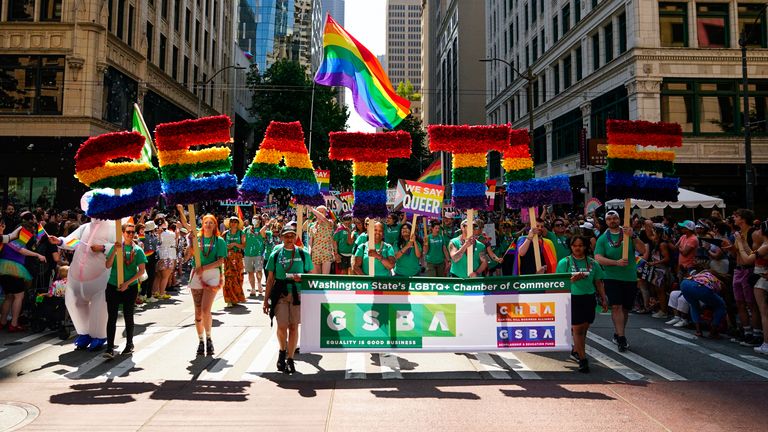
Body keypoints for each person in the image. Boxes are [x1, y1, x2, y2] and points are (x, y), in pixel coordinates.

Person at [594, 209, 647, 352]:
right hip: (611, 277)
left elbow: (643, 250)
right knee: (616, 306)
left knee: (625, 308)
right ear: (606, 222)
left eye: (615, 218)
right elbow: (598, 257)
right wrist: (615, 262)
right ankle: (622, 338)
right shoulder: (603, 238)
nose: (612, 221)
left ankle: (618, 333)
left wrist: (633, 235)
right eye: (609, 219)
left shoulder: (628, 234)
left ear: (619, 219)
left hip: (629, 277)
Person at [263, 225, 313, 374]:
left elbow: (311, 274)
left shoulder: (303, 254)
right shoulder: (276, 254)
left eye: (292, 235)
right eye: (286, 236)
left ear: (295, 237)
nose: (289, 238)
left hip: (297, 295)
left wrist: (302, 277)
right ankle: (281, 351)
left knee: (293, 327)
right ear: (282, 238)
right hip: (281, 295)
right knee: (282, 326)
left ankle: (290, 358)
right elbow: (270, 279)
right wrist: (266, 300)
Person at [556, 235, 607, 373]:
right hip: (572, 299)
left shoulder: (593, 263)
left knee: (584, 328)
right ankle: (583, 359)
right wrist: (572, 279)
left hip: (589, 298)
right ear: (570, 247)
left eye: (580, 245)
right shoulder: (564, 263)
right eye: (574, 246)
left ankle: (575, 350)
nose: (577, 248)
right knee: (577, 329)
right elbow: (559, 283)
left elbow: (598, 282)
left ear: (585, 246)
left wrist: (603, 298)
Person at [101, 223, 147, 359]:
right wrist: (115, 251)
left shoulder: (138, 250)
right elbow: (107, 265)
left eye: (133, 232)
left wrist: (127, 283)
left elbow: (142, 271)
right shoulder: (115, 248)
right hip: (113, 285)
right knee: (112, 317)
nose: (131, 234)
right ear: (122, 232)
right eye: (128, 232)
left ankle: (129, 344)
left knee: (128, 315)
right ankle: (109, 348)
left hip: (129, 287)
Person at [183, 214, 227, 356]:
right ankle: (201, 340)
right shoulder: (197, 239)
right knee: (197, 312)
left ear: (215, 225)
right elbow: (186, 256)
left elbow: (221, 261)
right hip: (197, 275)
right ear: (202, 224)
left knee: (205, 309)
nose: (208, 225)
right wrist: (190, 243)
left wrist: (205, 268)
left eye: (211, 223)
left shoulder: (219, 241)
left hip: (212, 275)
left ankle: (209, 338)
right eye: (205, 222)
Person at [0, 216, 46, 332]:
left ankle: (3, 322)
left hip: (3, 268)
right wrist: (37, 255)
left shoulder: (7, 236)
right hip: (14, 269)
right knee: (19, 297)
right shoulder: (18, 236)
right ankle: (14, 324)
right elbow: (20, 250)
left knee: (9, 297)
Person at [724, 209, 763, 346]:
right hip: (738, 269)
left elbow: (752, 255)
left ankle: (757, 333)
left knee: (751, 303)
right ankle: (746, 331)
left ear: (743, 219)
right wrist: (731, 249)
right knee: (740, 302)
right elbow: (737, 255)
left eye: (737, 216)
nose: (734, 218)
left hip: (748, 270)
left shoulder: (752, 233)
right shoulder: (738, 233)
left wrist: (740, 243)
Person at [735, 220, 768, 354]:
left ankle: (766, 343)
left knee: (764, 313)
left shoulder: (766, 245)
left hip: (762, 279)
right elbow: (753, 254)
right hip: (761, 277)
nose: (757, 231)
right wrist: (743, 242)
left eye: (760, 229)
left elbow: (747, 259)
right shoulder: (764, 245)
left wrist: (739, 245)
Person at [680, 261, 727, 339]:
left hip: (685, 284)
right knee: (721, 305)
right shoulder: (719, 282)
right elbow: (718, 296)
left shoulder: (702, 274)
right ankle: (713, 332)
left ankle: (698, 331)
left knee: (694, 306)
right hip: (701, 287)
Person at [222, 215, 246, 307]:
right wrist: (226, 247)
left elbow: (244, 246)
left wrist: (235, 244)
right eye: (231, 221)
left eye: (235, 221)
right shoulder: (225, 233)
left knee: (238, 277)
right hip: (228, 258)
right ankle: (229, 299)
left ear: (238, 223)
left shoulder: (241, 233)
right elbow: (220, 244)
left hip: (238, 257)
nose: (233, 223)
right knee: (228, 278)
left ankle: (236, 298)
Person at [244, 216, 269, 297]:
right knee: (250, 272)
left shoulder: (262, 230)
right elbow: (242, 237)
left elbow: (263, 234)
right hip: (248, 253)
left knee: (258, 271)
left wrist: (267, 224)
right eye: (253, 218)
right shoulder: (247, 229)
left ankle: (259, 283)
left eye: (256, 219)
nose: (254, 220)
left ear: (260, 220)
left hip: (259, 254)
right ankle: (253, 289)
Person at [154, 220, 177, 300]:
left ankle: (155, 292)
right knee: (165, 276)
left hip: (160, 256)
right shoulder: (170, 233)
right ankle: (161, 293)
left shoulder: (155, 233)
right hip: (168, 256)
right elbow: (176, 236)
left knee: (158, 276)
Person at [308, 206, 336, 275]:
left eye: (322, 212)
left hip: (326, 254)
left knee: (324, 277)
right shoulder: (312, 226)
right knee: (316, 278)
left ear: (326, 213)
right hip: (315, 254)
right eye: (318, 212)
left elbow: (323, 218)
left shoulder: (329, 223)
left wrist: (312, 209)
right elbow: (310, 242)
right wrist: (309, 254)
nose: (319, 213)